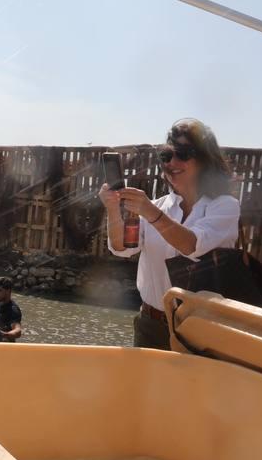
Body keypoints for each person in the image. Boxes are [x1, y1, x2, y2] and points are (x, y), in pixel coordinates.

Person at [100, 118, 242, 350]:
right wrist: (113, 209)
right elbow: (122, 248)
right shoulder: (158, 205)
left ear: (205, 160)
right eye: (166, 155)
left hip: (200, 329)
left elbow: (192, 245)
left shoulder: (225, 206)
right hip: (150, 325)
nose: (172, 162)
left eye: (183, 154)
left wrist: (149, 211)